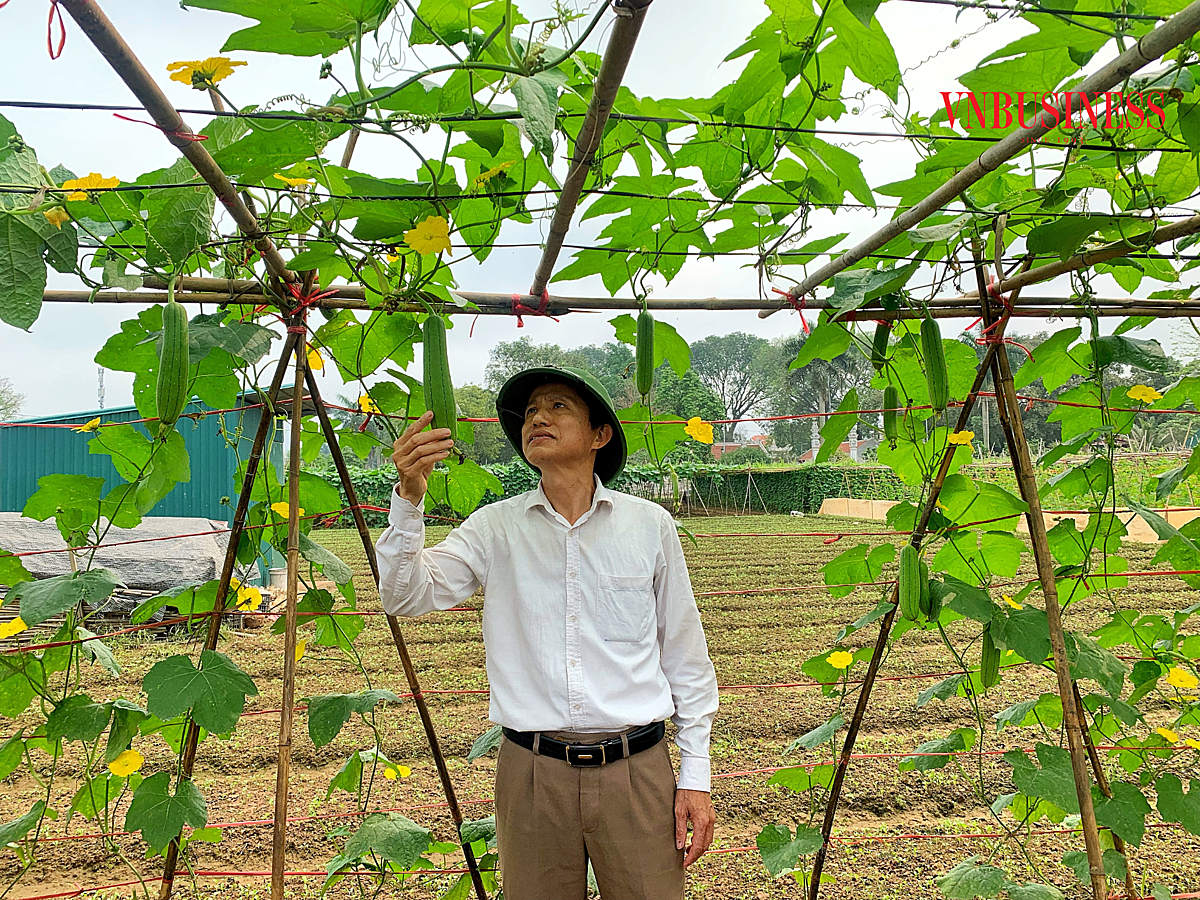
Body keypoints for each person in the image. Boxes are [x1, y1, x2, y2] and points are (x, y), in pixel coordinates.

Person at [376, 365, 718, 900]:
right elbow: (404, 596)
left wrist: (695, 775)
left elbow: (686, 657)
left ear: (599, 435)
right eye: (531, 411)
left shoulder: (649, 525)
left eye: (558, 406)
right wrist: (409, 497)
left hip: (637, 772)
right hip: (531, 774)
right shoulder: (494, 528)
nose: (537, 417)